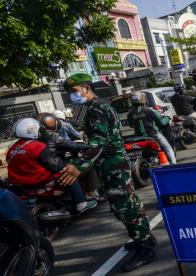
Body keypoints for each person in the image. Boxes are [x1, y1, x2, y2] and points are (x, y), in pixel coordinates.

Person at [61, 73, 156, 272]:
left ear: (86, 88)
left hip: (113, 166)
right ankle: (144, 236)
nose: (72, 96)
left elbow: (99, 142)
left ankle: (145, 249)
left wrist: (80, 165)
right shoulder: (99, 107)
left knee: (125, 207)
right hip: (113, 164)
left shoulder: (96, 110)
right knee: (128, 204)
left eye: (74, 91)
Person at [7, 118, 96, 214]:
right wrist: (68, 166)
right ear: (33, 131)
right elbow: (55, 165)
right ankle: (81, 203)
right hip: (39, 180)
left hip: (21, 183)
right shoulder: (38, 146)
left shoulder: (13, 148)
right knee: (69, 174)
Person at [127, 91, 176, 165]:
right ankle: (173, 164)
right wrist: (168, 117)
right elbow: (162, 123)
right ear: (142, 99)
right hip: (153, 135)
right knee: (167, 147)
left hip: (138, 137)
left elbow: (131, 125)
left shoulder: (130, 114)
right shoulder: (150, 110)